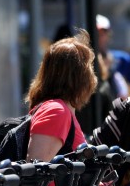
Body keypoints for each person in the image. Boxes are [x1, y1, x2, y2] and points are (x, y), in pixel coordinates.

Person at [25, 29, 96, 162]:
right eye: (90, 69)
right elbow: (33, 175)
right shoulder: (56, 111)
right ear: (80, 77)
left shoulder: (61, 110)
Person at [96, 14, 130, 94]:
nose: (99, 38)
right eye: (96, 34)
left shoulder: (121, 60)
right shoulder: (84, 63)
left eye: (102, 34)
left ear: (108, 35)